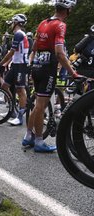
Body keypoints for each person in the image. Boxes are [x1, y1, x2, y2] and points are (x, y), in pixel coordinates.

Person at [24, 0, 80, 152]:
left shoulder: (43, 22)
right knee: (41, 106)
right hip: (47, 69)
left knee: (38, 104)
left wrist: (32, 63)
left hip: (36, 67)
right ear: (68, 10)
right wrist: (73, 73)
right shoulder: (60, 25)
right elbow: (60, 53)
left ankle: (28, 136)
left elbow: (34, 47)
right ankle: (39, 142)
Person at [0, 14, 29, 126]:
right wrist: (5, 64)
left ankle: (20, 117)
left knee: (20, 90)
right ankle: (12, 111)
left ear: (16, 23)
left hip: (21, 65)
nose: (11, 24)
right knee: (4, 87)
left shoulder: (19, 34)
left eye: (13, 22)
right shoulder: (17, 35)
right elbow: (15, 54)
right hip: (15, 65)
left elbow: (12, 52)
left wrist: (0, 64)